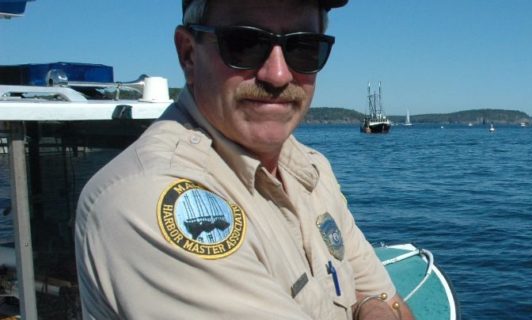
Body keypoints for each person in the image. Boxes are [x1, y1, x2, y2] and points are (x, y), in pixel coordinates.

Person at [74, 1, 413, 319]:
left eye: (303, 48)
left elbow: (389, 300)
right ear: (189, 54)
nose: (278, 74)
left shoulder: (311, 168)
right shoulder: (147, 200)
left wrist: (370, 305)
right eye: (244, 43)